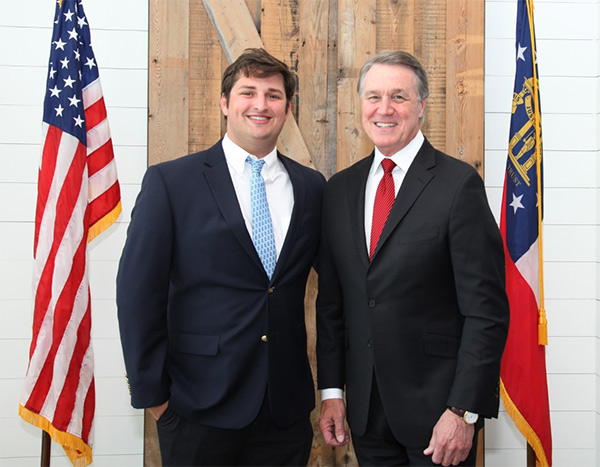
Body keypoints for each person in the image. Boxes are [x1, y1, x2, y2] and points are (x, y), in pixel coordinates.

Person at [117, 48, 325, 466]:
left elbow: (336, 294)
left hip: (284, 413)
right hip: (196, 409)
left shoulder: (311, 187)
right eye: (248, 92)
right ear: (225, 103)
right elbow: (138, 294)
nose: (261, 105)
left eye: (273, 95)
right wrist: (154, 398)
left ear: (287, 109)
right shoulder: (172, 182)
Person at [316, 50, 510, 466]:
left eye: (398, 97)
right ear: (360, 105)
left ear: (421, 107)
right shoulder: (338, 191)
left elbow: (487, 312)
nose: (384, 109)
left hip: (440, 417)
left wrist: (463, 411)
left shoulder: (458, 186)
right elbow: (333, 304)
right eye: (373, 97)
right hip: (366, 415)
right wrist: (332, 394)